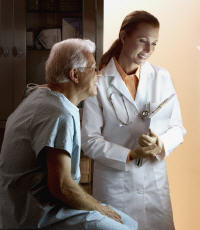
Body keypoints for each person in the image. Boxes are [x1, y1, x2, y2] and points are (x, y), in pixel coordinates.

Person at [0, 38, 138, 230]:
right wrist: (98, 208)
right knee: (124, 227)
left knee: (129, 222)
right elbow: (62, 187)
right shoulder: (59, 113)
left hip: (20, 207)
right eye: (92, 68)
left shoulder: (42, 96)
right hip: (38, 215)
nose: (98, 74)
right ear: (74, 74)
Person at [81, 11, 186, 230]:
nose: (149, 50)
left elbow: (177, 128)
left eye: (154, 43)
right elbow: (89, 140)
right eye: (142, 41)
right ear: (123, 36)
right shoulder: (98, 83)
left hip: (153, 183)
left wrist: (161, 144)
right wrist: (129, 155)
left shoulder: (161, 77)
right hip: (116, 186)